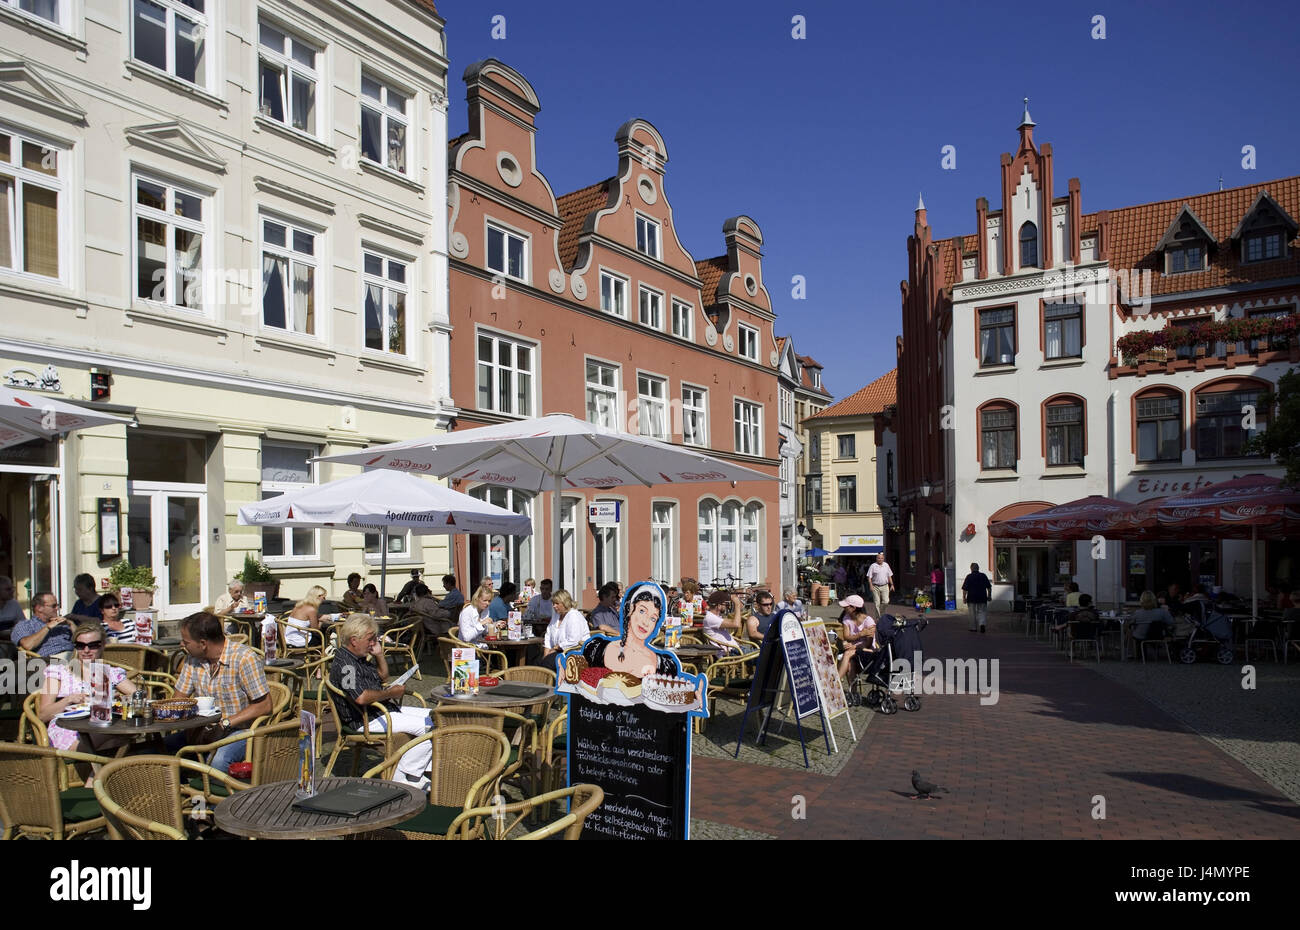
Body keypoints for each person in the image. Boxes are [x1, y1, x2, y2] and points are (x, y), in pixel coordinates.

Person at [329, 613, 433, 788]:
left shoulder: (358, 657)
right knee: (431, 727)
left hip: (380, 710)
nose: (373, 643)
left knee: (436, 716)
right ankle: (401, 774)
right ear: (354, 640)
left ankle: (413, 774)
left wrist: (379, 655)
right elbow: (360, 697)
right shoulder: (346, 663)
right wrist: (390, 693)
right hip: (364, 719)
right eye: (370, 639)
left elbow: (383, 676)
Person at [37, 623, 138, 785]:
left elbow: (138, 696)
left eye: (93, 645)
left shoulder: (108, 672)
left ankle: (93, 782)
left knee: (124, 737)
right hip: (68, 733)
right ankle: (97, 785)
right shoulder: (59, 672)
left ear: (103, 645)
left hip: (102, 728)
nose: (86, 650)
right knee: (125, 736)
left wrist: (119, 698)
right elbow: (42, 715)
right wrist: (68, 699)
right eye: (80, 645)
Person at [171, 611, 272, 773]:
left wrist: (225, 723)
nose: (181, 645)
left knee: (218, 761)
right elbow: (177, 700)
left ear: (203, 643)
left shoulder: (243, 658)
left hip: (240, 731)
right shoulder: (192, 660)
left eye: (185, 641)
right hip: (202, 729)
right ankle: (182, 791)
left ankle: (225, 797)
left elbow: (265, 705)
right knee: (162, 748)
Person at [581, 583, 689, 681]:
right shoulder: (597, 649)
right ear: (629, 610)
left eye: (653, 618)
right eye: (642, 611)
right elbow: (601, 627)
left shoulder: (666, 664)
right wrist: (620, 634)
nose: (646, 622)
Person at [12, 592, 77, 658]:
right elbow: (27, 645)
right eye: (53, 606)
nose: (57, 608)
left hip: (73, 656)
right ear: (39, 608)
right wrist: (47, 628)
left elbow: (82, 640)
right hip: (50, 661)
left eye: (57, 605)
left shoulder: (62, 624)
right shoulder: (25, 625)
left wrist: (71, 624)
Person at [537, 590, 589, 671]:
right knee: (536, 661)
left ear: (565, 603)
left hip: (573, 653)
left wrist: (556, 648)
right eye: (553, 603)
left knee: (547, 663)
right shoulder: (556, 615)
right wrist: (546, 653)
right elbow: (548, 635)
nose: (554, 606)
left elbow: (574, 641)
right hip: (558, 651)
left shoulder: (574, 616)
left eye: (557, 603)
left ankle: (549, 682)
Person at [835, 596, 877, 686]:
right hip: (854, 652)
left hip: (867, 652)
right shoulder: (846, 618)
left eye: (846, 607)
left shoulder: (868, 621)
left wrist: (854, 646)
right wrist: (860, 634)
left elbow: (868, 644)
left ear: (853, 608)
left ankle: (836, 681)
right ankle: (853, 695)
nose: (844, 608)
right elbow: (846, 637)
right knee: (850, 665)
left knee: (847, 654)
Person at [962, 562, 993, 633]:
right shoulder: (983, 576)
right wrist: (989, 596)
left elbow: (965, 589)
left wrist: (964, 597)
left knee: (972, 613)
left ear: (971, 569)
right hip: (982, 597)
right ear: (978, 568)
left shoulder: (969, 576)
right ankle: (982, 624)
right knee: (982, 612)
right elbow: (989, 587)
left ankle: (973, 628)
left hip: (971, 597)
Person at [0, 575, 24, 661]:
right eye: (8, 589)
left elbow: (22, 624)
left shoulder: (14, 604)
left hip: (13, 641)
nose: (12, 591)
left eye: (12, 588)